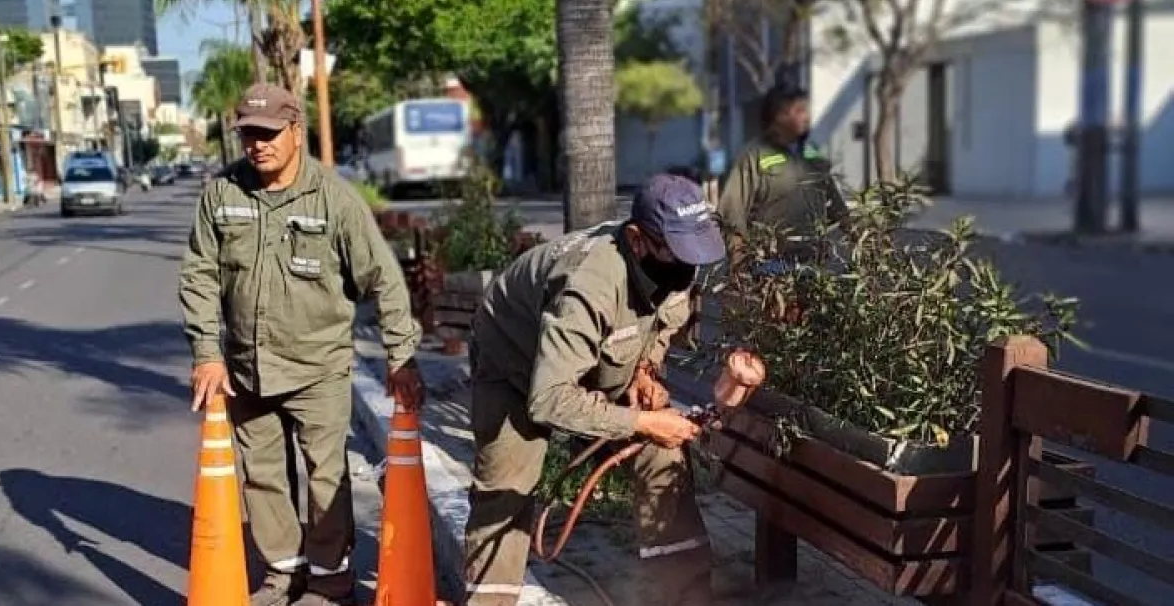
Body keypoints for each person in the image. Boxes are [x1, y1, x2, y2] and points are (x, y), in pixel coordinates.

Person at [178, 83, 424, 606]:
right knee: (263, 475)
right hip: (247, 367)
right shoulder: (222, 195)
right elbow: (199, 275)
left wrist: (401, 355)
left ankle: (331, 579)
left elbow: (383, 279)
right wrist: (207, 354)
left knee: (325, 475)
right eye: (248, 134)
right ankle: (284, 573)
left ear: (296, 131)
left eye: (268, 133)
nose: (257, 144)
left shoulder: (334, 199)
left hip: (318, 368)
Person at [463, 174, 725, 606]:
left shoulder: (678, 266)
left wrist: (644, 372)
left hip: (590, 354)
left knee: (664, 456)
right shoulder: (588, 286)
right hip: (514, 362)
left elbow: (662, 324)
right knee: (508, 486)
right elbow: (548, 398)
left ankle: (685, 596)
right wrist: (641, 421)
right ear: (637, 240)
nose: (687, 267)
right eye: (677, 252)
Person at [716, 85, 848, 272]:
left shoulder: (812, 154)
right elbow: (732, 211)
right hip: (770, 266)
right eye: (799, 111)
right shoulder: (753, 157)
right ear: (779, 116)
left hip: (813, 264)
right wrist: (739, 260)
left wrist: (862, 238)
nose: (807, 118)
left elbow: (835, 204)